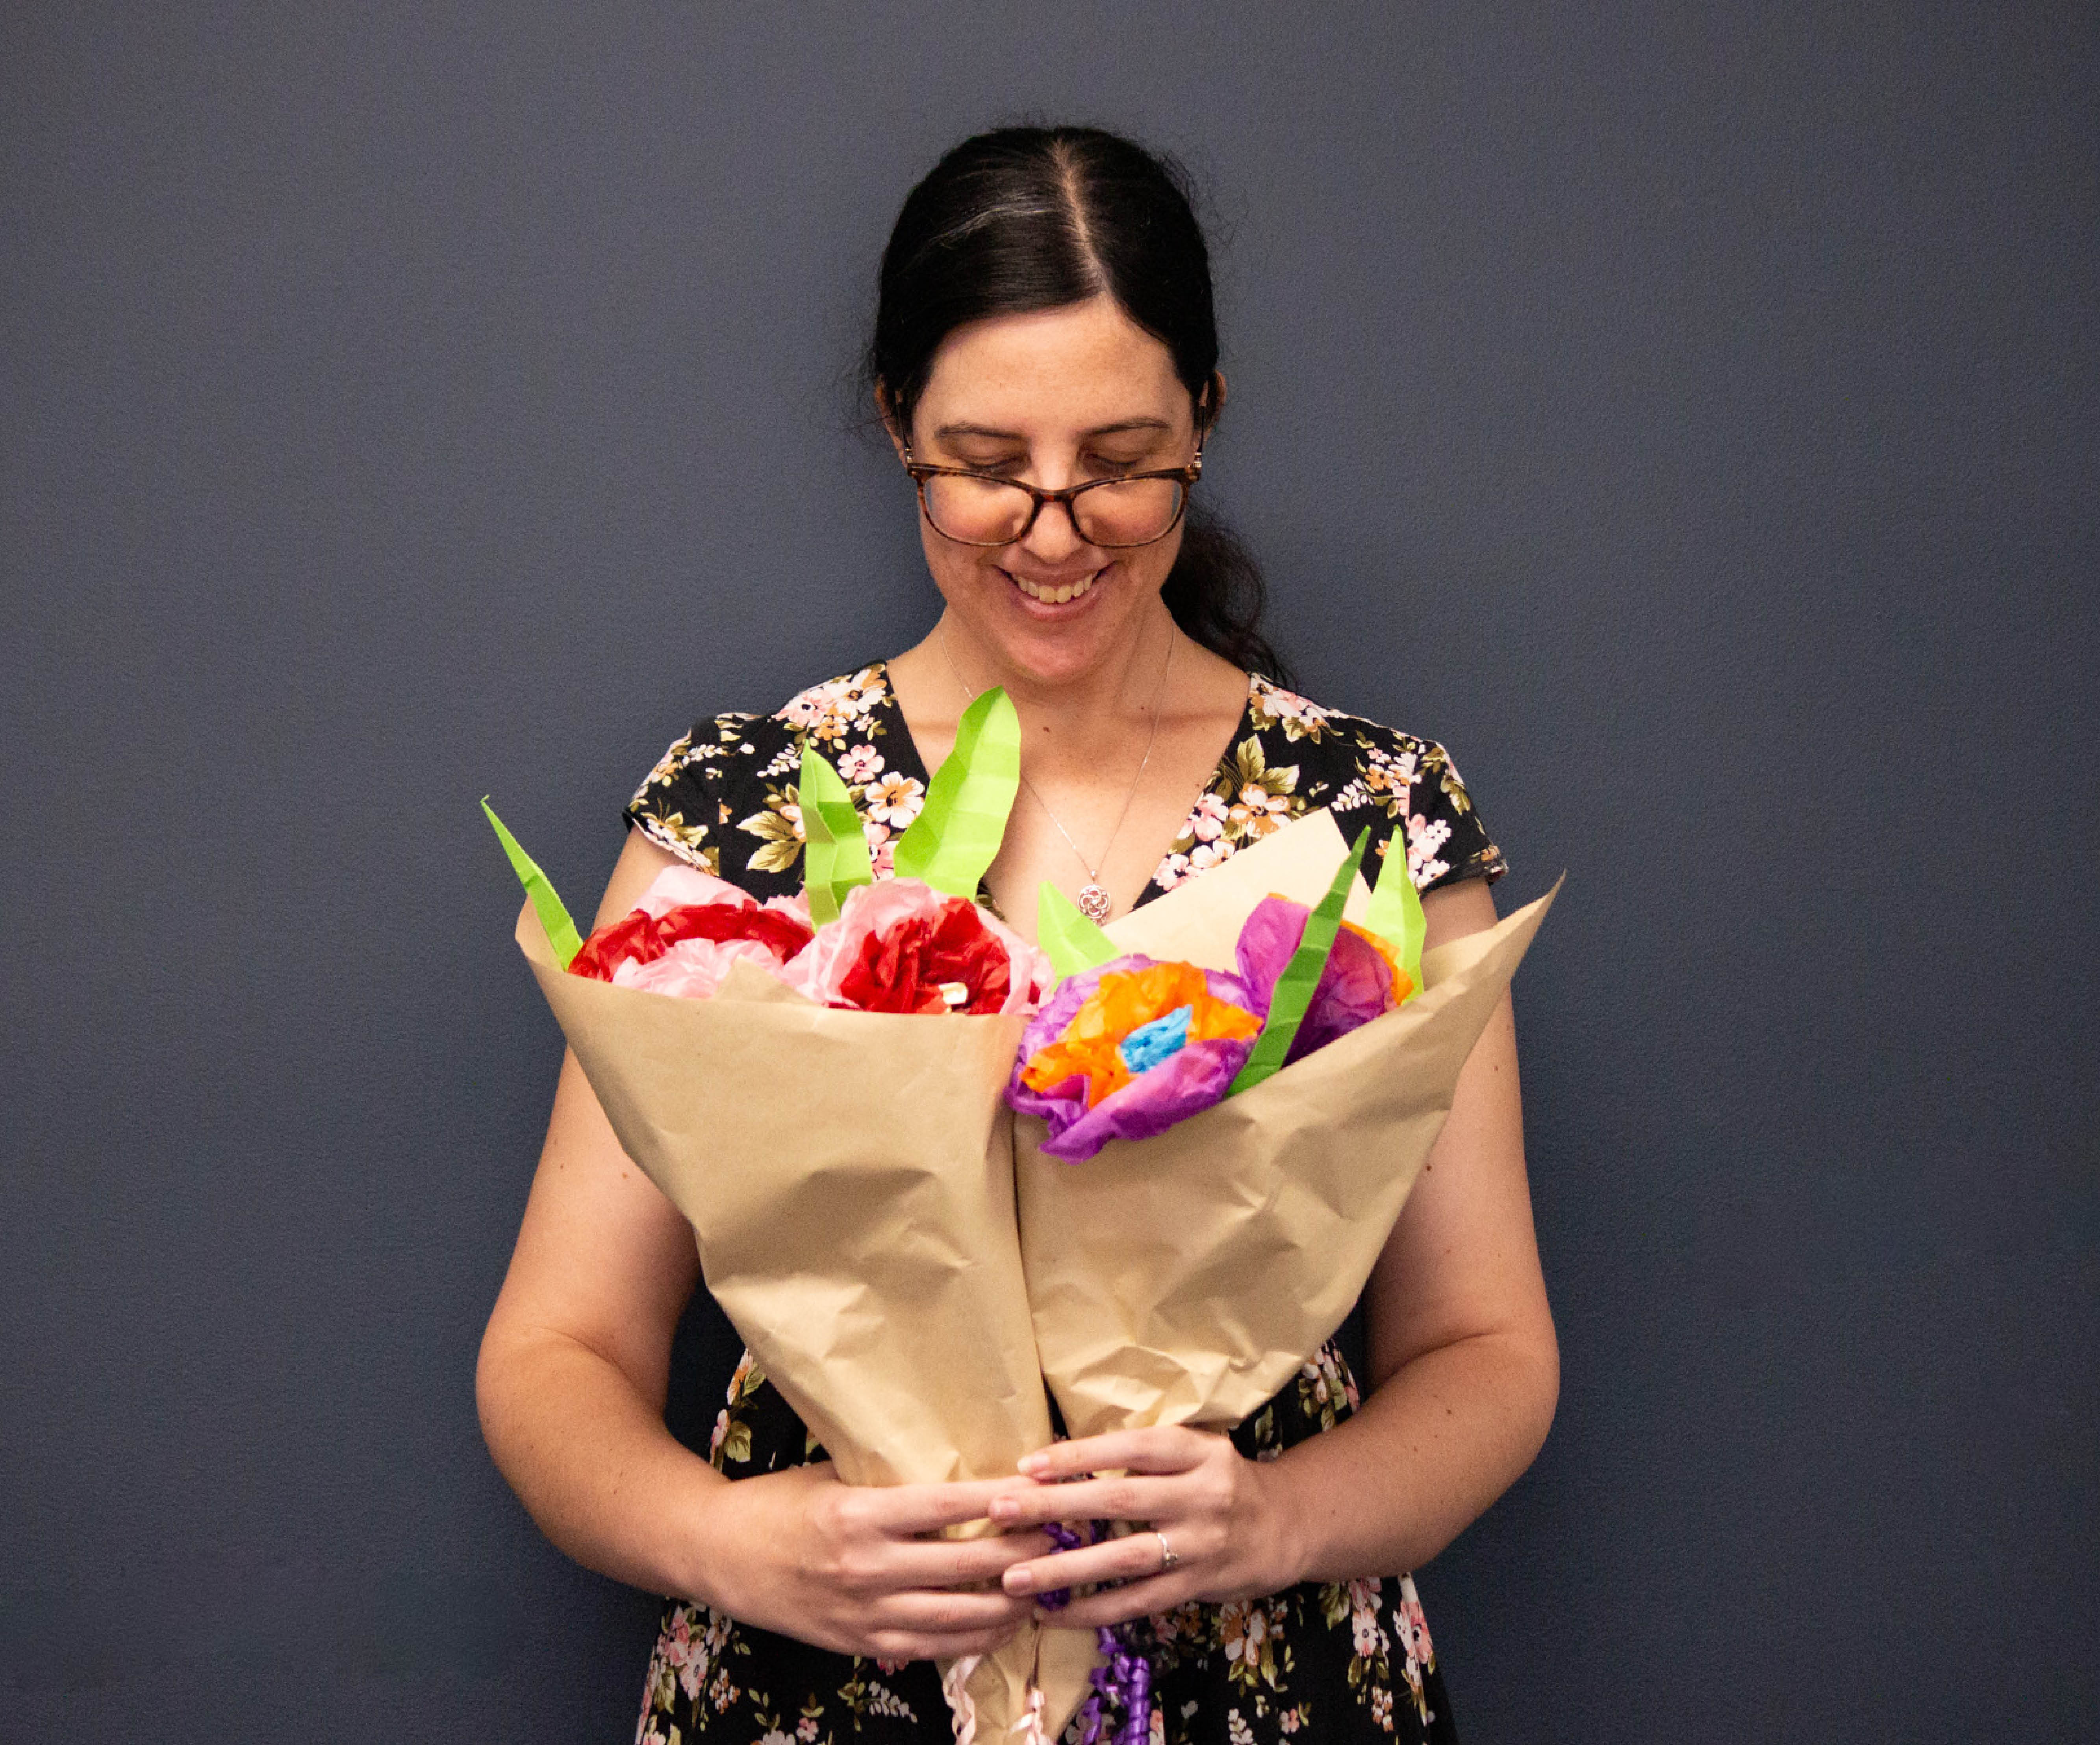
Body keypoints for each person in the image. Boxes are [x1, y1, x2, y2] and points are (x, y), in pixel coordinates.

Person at [477, 126, 1557, 1745]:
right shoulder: (745, 804)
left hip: (1268, 1679)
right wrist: (738, 1544)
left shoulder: (1363, 816)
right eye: (984, 464)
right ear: (893, 425)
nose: (1053, 535)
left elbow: (1487, 1347)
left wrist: (1276, 1521)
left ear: (1204, 413)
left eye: (1120, 461)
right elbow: (554, 1350)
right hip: (825, 1678)